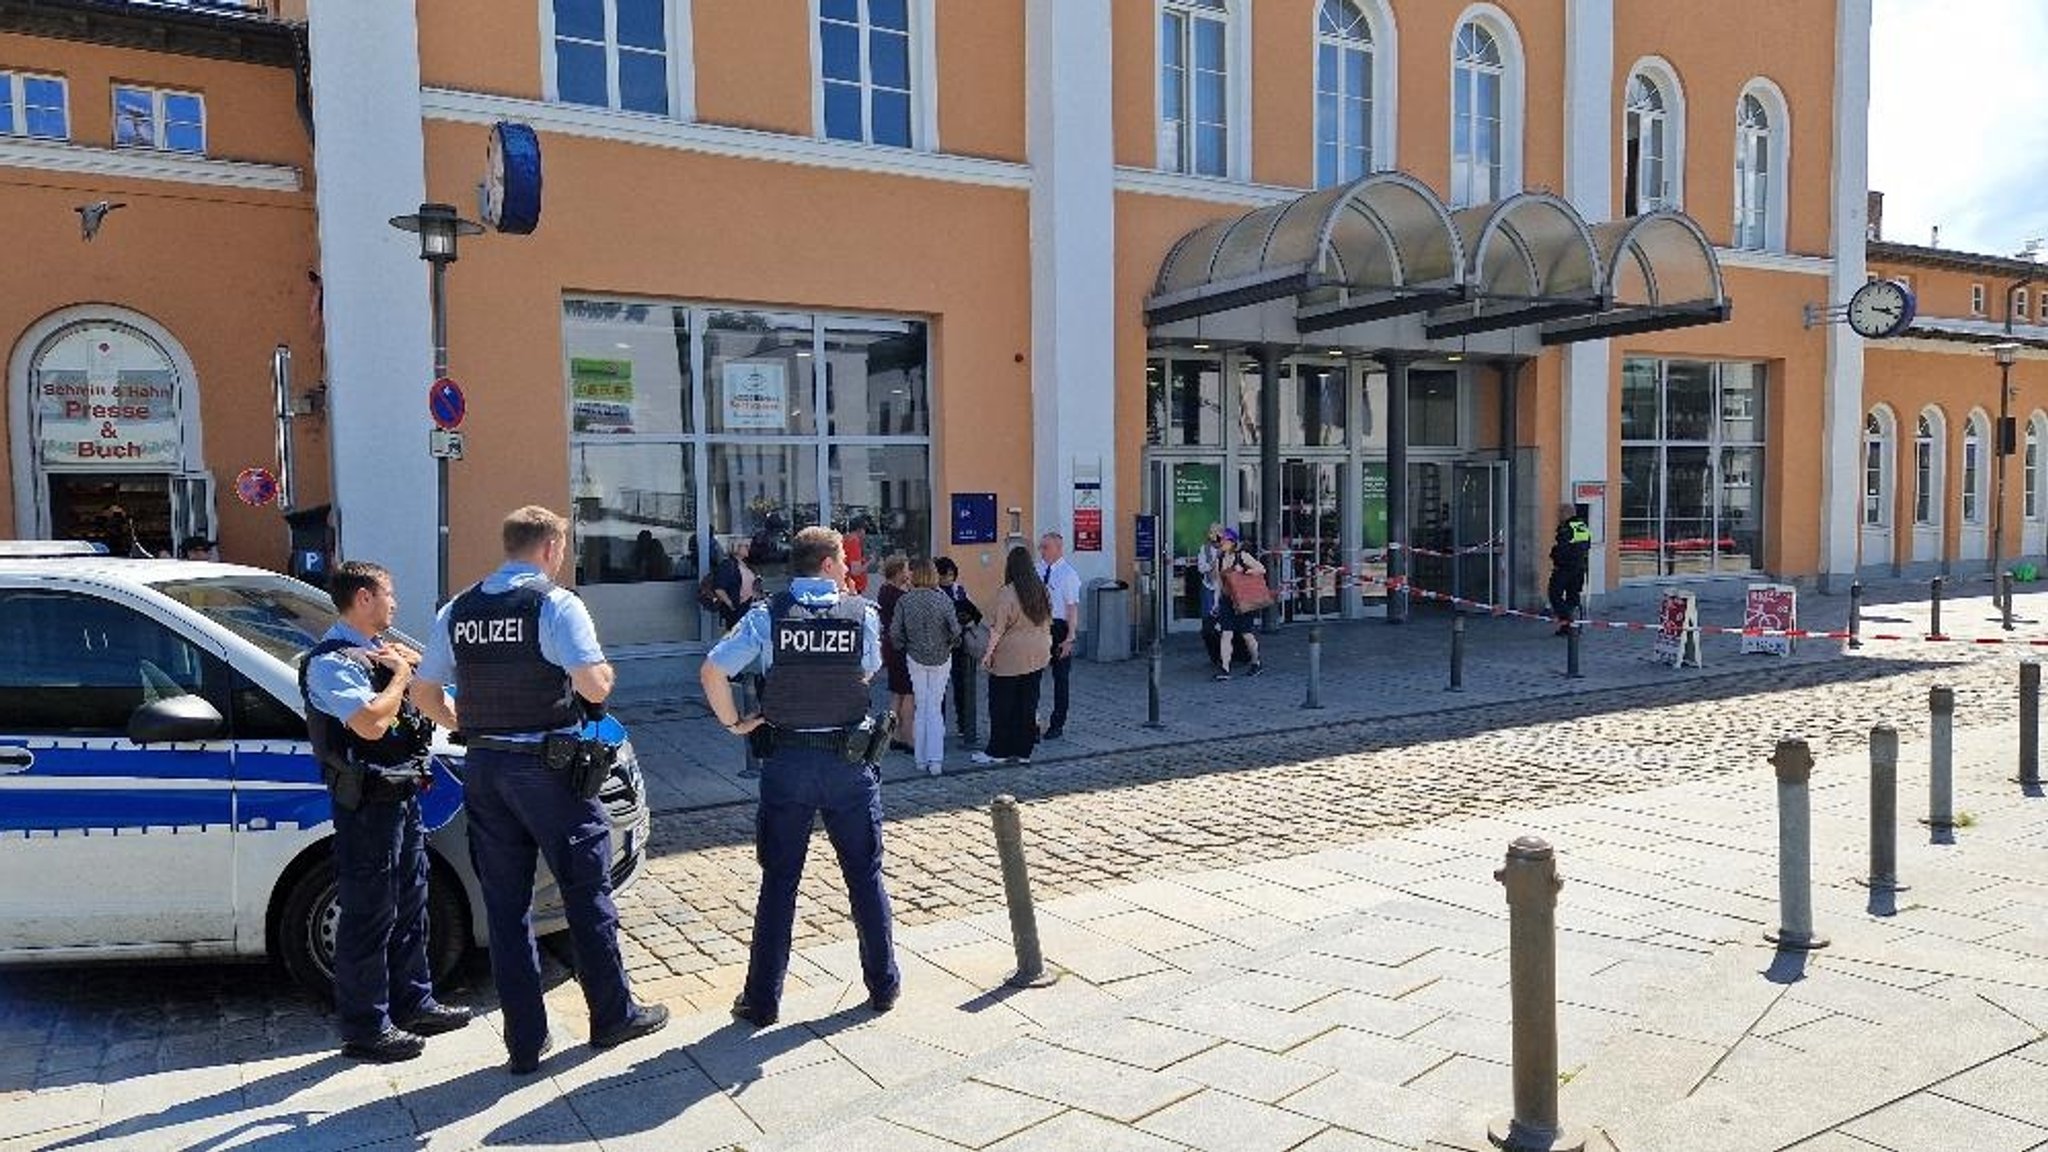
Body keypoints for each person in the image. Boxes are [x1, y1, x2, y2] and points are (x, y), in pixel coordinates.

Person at [410, 506, 668, 1075]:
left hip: (485, 766)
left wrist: (469, 726)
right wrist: (599, 682)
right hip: (547, 771)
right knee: (585, 890)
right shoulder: (555, 603)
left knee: (505, 907)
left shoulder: (459, 609)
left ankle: (524, 1042)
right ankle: (612, 1015)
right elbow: (594, 682)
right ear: (551, 548)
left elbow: (423, 693)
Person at [698, 525, 900, 1027]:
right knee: (865, 876)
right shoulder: (862, 614)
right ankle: (883, 986)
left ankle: (762, 1000)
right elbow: (868, 670)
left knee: (779, 883)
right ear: (829, 565)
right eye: (843, 563)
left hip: (786, 763)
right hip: (849, 764)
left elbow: (713, 670)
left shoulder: (768, 615)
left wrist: (734, 725)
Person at [301, 561, 471, 1064]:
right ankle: (365, 1027)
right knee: (369, 914)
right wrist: (398, 676)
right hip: (366, 807)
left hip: (401, 797)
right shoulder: (329, 662)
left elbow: (433, 696)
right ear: (363, 597)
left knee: (411, 903)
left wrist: (411, 664)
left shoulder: (378, 651)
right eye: (388, 594)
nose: (395, 603)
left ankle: (413, 1002)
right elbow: (371, 724)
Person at [974, 546, 1052, 766]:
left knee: (1002, 704)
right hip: (1037, 652)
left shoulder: (1007, 592)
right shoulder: (1041, 589)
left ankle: (998, 750)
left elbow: (997, 628)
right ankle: (1023, 750)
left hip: (1010, 655)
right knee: (1028, 703)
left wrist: (988, 654)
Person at [889, 558, 961, 776]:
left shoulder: (905, 601)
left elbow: (895, 633)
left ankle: (921, 759)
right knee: (934, 708)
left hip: (915, 656)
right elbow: (955, 630)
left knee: (922, 706)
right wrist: (950, 644)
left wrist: (904, 645)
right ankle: (935, 761)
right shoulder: (943, 600)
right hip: (941, 656)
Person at [1036, 531, 1082, 740]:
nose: (1041, 551)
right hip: (1039, 627)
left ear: (1057, 548)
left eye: (1045, 547)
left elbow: (1072, 608)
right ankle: (1033, 721)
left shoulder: (1068, 574)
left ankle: (1057, 723)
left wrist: (1070, 638)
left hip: (1059, 626)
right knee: (1032, 676)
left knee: (1060, 678)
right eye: (1041, 546)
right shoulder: (1038, 569)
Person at [936, 557, 981, 746]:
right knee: (940, 690)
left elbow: (974, 613)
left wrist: (967, 619)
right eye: (946, 576)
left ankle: (964, 724)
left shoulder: (959, 590)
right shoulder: (934, 593)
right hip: (941, 645)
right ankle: (939, 726)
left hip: (960, 644)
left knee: (962, 686)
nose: (949, 579)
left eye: (952, 575)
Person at [1212, 530, 1265, 681]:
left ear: (1232, 542)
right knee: (1226, 633)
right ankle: (1225, 668)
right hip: (1227, 600)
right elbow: (1219, 584)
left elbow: (1261, 569)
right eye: (1220, 540)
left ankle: (1256, 662)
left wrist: (1246, 571)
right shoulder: (1219, 559)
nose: (1221, 543)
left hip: (1243, 599)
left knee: (1247, 634)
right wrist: (1216, 603)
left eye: (1224, 540)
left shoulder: (1242, 556)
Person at [875, 555, 915, 752]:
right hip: (901, 647)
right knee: (908, 693)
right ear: (899, 572)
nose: (909, 573)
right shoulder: (899, 596)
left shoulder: (885, 591)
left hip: (891, 646)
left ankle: (893, 736)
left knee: (897, 694)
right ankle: (909, 738)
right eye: (907, 570)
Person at [1548, 506, 1593, 636]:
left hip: (1565, 568)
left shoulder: (1567, 528)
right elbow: (1586, 545)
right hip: (1579, 568)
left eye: (1560, 513)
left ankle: (1568, 620)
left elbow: (1562, 548)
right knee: (1573, 596)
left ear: (1566, 514)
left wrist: (1554, 555)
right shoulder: (1582, 526)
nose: (1558, 517)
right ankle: (1572, 627)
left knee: (1554, 594)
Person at [710, 539, 761, 632]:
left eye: (748, 546)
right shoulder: (728, 565)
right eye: (745, 546)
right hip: (737, 608)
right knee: (736, 635)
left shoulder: (747, 565)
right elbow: (719, 588)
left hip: (749, 606)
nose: (748, 549)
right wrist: (731, 605)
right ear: (736, 548)